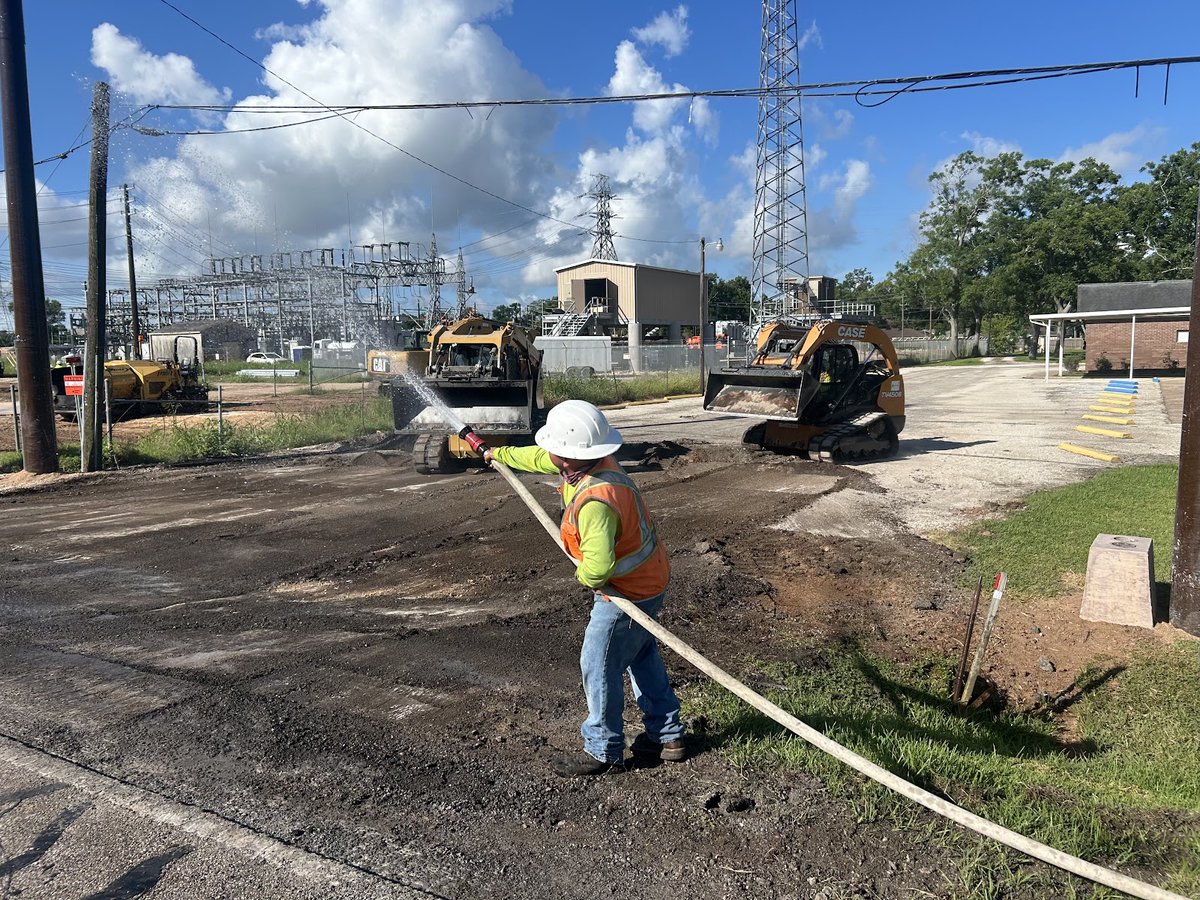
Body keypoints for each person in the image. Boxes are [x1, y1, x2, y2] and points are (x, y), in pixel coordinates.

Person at [484, 400, 685, 777]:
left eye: (555, 449)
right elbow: (536, 458)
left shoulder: (596, 501)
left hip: (625, 592)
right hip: (650, 579)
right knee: (640, 654)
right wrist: (498, 454)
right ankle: (667, 735)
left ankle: (603, 748)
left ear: (568, 456)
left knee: (598, 662)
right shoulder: (590, 465)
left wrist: (584, 577)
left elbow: (598, 567)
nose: (550, 454)